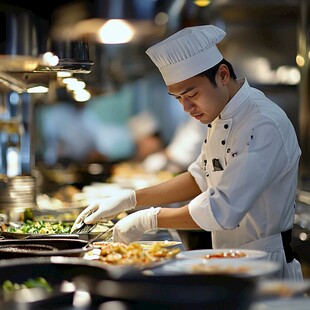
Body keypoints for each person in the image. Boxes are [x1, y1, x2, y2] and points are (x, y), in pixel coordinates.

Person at [72, 25, 303, 280]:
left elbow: (222, 208)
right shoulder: (220, 116)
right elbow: (199, 178)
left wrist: (150, 219)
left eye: (191, 94)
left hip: (267, 266)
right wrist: (130, 199)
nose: (186, 108)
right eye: (178, 98)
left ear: (222, 74)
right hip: (228, 261)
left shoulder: (261, 123)